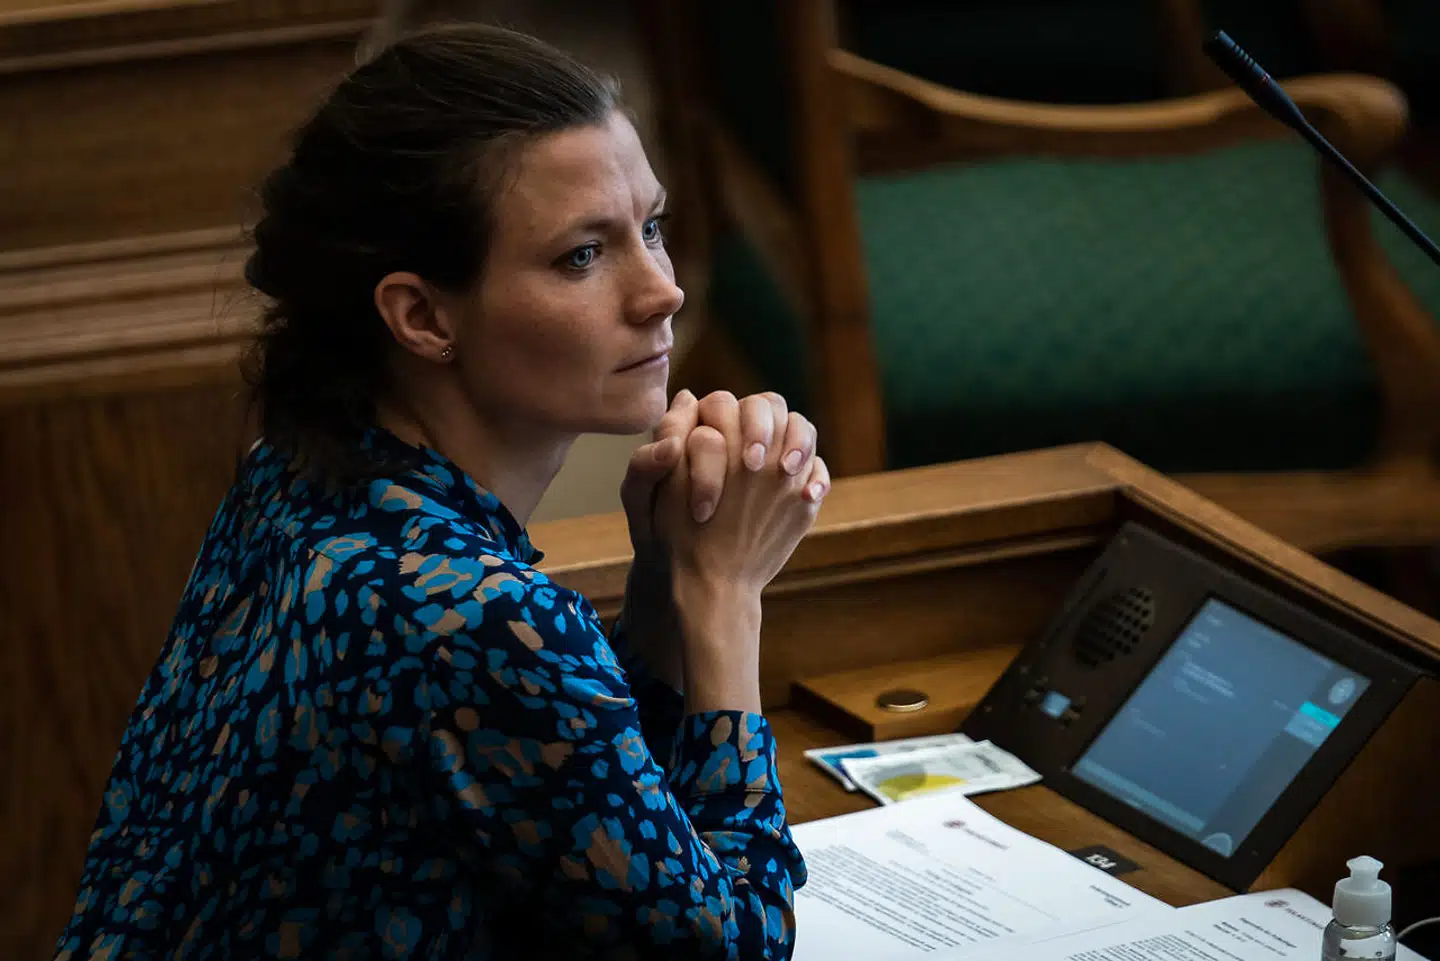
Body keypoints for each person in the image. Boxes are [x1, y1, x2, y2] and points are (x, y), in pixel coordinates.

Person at [54, 23, 827, 960]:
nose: (661, 289)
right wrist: (725, 594)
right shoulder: (474, 618)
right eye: (583, 254)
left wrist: (667, 573)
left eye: (650, 227)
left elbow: (580, 819)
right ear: (421, 315)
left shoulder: (293, 480)